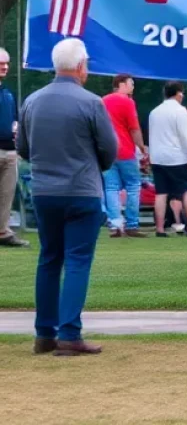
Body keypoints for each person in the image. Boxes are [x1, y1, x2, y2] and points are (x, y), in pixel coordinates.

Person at [17, 38, 117, 355]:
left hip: (45, 191)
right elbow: (109, 149)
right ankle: (70, 333)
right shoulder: (91, 103)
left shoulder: (32, 101)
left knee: (49, 259)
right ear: (81, 66)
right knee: (77, 261)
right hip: (81, 190)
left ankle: (44, 333)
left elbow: (22, 148)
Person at [148, 81, 187, 237]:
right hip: (177, 157)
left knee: (161, 193)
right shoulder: (180, 111)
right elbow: (185, 137)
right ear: (179, 93)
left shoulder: (154, 112)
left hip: (158, 157)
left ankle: (159, 228)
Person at [100, 74, 147, 239]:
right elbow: (134, 128)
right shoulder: (128, 102)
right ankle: (132, 224)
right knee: (133, 186)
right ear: (122, 84)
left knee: (111, 188)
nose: (132, 87)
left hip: (106, 151)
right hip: (125, 150)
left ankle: (115, 225)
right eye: (131, 84)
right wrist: (142, 147)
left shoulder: (102, 101)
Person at [0, 45, 29, 248]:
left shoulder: (7, 93)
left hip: (9, 150)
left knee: (7, 193)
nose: (4, 67)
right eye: (0, 64)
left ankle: (3, 231)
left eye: (6, 64)